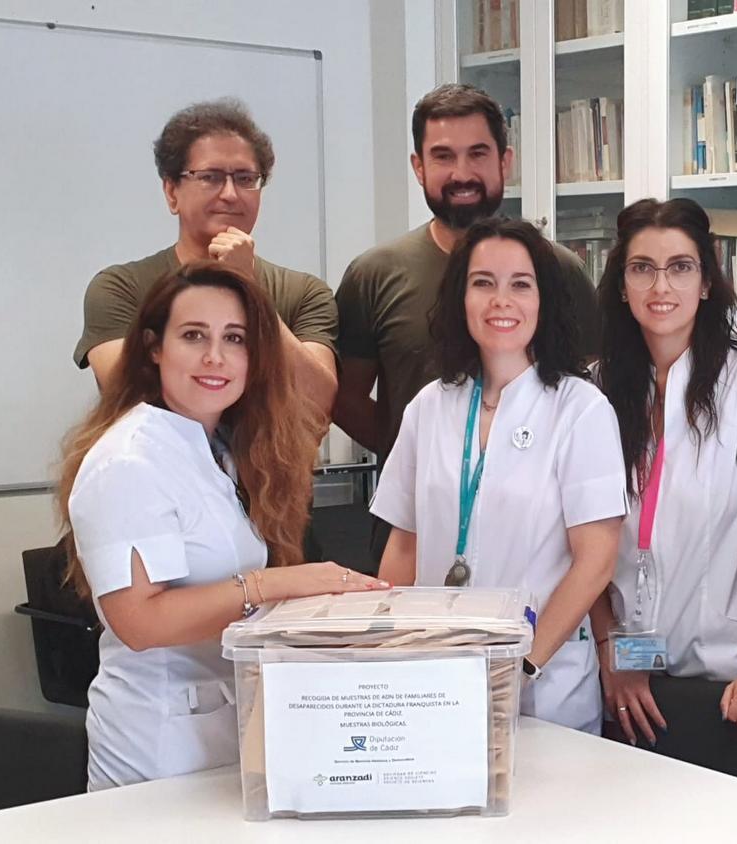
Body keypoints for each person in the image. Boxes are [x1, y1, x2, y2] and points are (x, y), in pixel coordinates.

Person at [59, 262, 387, 790]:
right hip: (159, 746)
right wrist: (274, 584)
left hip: (228, 728)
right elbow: (140, 623)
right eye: (193, 336)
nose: (216, 357)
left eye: (234, 339)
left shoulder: (219, 449)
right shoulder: (128, 460)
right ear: (153, 348)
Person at [370, 218, 625, 734]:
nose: (500, 300)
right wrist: (379, 652)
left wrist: (521, 667)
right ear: (460, 298)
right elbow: (403, 547)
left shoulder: (580, 409)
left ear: (544, 301)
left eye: (520, 285)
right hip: (434, 677)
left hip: (543, 689)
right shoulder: (430, 406)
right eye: (482, 283)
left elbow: (595, 562)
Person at [335, 83, 600, 568]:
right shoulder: (374, 273)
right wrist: (425, 455)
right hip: (414, 529)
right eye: (443, 156)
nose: (461, 173)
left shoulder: (557, 271)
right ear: (419, 166)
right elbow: (344, 396)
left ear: (505, 161)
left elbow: (586, 387)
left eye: (478, 154)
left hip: (533, 542)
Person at [588, 199, 737, 747]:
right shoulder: (593, 390)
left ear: (706, 283)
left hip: (727, 672)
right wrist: (608, 649)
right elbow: (580, 537)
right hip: (627, 673)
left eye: (680, 267)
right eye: (642, 268)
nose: (660, 286)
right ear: (621, 285)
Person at [74, 98, 337, 417]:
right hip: (161, 464)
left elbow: (318, 403)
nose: (230, 194)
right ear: (172, 192)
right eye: (210, 177)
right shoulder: (121, 288)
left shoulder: (303, 293)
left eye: (245, 179)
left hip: (268, 467)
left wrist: (250, 287)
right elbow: (130, 397)